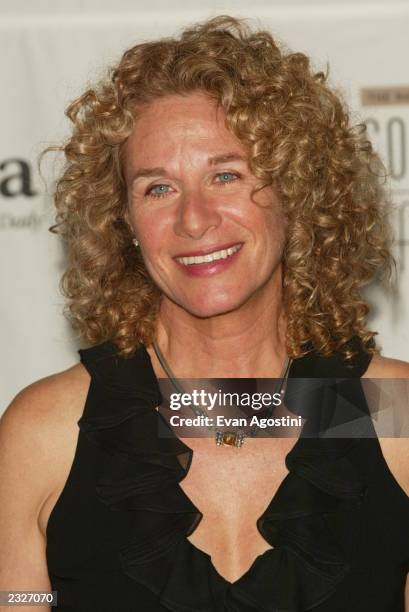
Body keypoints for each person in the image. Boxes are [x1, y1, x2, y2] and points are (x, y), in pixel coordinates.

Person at [1, 15, 408, 612]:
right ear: (123, 221)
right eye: (157, 188)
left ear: (297, 192)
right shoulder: (47, 433)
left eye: (226, 175)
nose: (194, 220)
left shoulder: (389, 416)